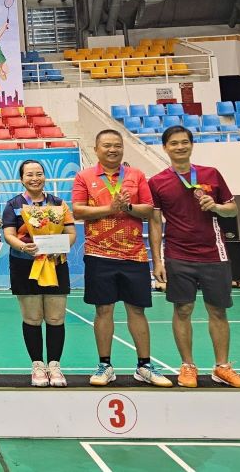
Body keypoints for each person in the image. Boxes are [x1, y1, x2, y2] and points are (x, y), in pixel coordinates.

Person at [148, 126, 240, 388]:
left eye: (185, 142)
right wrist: (158, 261)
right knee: (182, 309)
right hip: (177, 254)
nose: (180, 147)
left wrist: (215, 206)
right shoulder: (157, 181)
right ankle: (187, 366)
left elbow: (232, 210)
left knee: (217, 310)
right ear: (165, 148)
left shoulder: (211, 174)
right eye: (174, 143)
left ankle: (222, 367)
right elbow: (156, 223)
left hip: (213, 254)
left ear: (191, 145)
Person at [72, 129, 172, 388]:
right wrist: (110, 208)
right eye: (106, 145)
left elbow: (148, 209)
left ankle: (144, 366)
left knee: (136, 310)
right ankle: (105, 365)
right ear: (96, 149)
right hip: (98, 253)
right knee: (103, 310)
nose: (112, 149)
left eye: (117, 145)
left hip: (134, 254)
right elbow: (78, 210)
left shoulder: (136, 176)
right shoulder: (84, 176)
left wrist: (126, 207)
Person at [2, 160, 77, 387]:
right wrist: (23, 246)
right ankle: (37, 366)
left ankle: (54, 366)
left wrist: (60, 246)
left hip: (55, 264)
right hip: (25, 265)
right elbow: (9, 234)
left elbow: (71, 231)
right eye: (29, 174)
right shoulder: (13, 205)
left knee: (55, 318)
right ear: (21, 178)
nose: (35, 178)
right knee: (32, 318)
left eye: (39, 173)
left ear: (45, 176)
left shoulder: (59, 204)